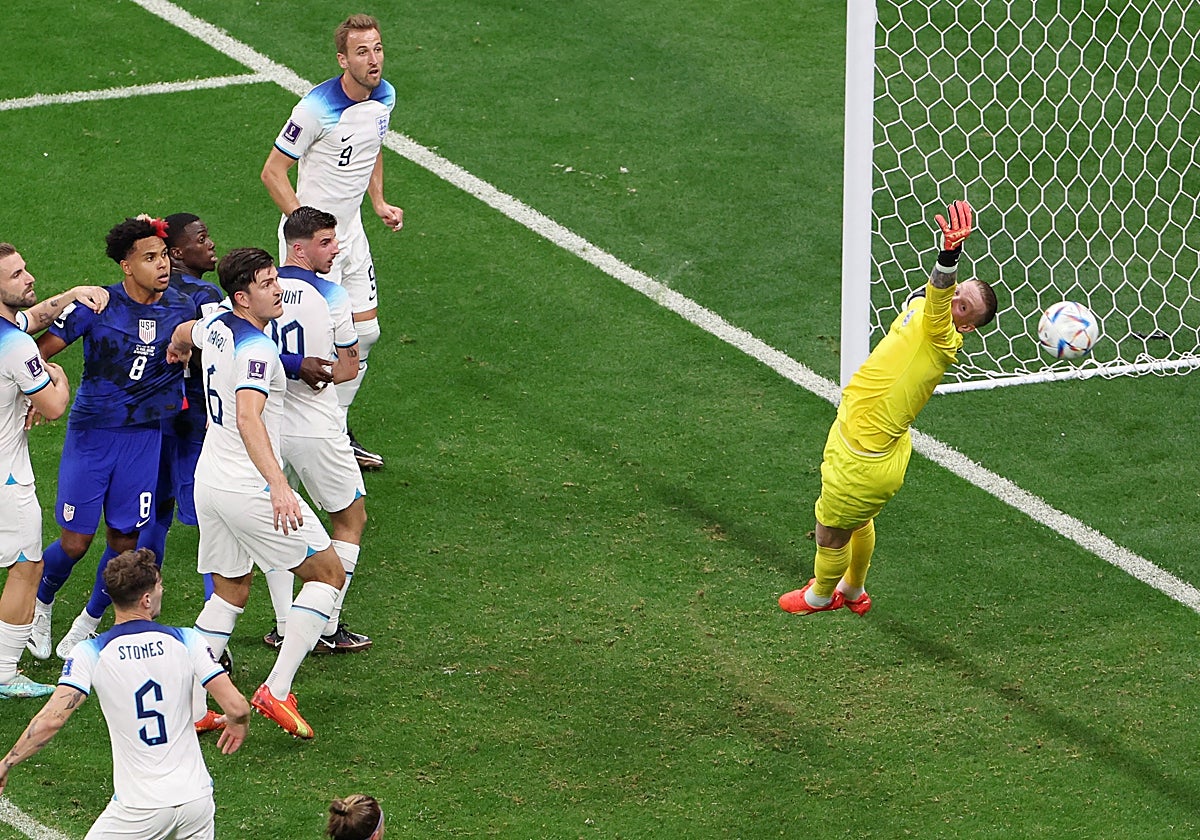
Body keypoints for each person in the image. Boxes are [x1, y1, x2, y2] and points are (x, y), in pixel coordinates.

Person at [779, 200, 998, 616]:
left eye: (963, 306)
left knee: (829, 533)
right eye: (958, 292)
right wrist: (940, 284)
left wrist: (949, 254)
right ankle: (855, 588)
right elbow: (927, 296)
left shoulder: (942, 335)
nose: (954, 300)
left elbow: (934, 300)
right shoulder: (924, 308)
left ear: (966, 325)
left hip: (863, 459)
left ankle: (821, 596)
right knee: (858, 522)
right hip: (871, 440)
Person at [167, 247, 347, 739]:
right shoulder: (258, 352)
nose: (278, 289)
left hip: (211, 480)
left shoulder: (218, 323)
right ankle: (278, 690)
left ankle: (191, 706)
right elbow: (248, 417)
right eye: (268, 283)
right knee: (327, 573)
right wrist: (279, 484)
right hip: (248, 487)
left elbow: (186, 331)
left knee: (230, 589)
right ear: (243, 297)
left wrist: (180, 347)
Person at [29, 217, 195, 661]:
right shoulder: (96, 306)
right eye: (149, 258)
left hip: (144, 438)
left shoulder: (182, 311)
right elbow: (37, 351)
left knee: (125, 541)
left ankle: (88, 621)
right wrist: (34, 391)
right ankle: (40, 606)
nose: (162, 266)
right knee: (76, 541)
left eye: (163, 256)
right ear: (126, 266)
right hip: (93, 435)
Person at [0, 548, 249, 839]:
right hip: (196, 800)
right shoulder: (187, 639)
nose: (162, 590)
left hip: (139, 808)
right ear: (145, 599)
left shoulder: (91, 652)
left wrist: (6, 763)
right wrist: (238, 722)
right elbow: (238, 706)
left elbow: (51, 720)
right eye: (158, 586)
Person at [261, 13, 403, 472]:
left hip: (353, 234)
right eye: (362, 52)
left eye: (378, 49)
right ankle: (282, 439)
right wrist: (305, 231)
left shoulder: (385, 97)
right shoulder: (315, 107)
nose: (374, 59)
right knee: (312, 344)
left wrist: (378, 202)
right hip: (312, 246)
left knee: (366, 334)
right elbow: (273, 172)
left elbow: (371, 147)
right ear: (343, 59)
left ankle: (334, 429)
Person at [261, 206, 371, 654]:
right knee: (351, 516)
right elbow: (347, 369)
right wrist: (320, 369)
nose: (335, 249)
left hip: (265, 425)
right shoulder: (332, 295)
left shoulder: (257, 290)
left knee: (275, 520)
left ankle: (285, 622)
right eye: (326, 242)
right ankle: (326, 626)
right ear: (298, 247)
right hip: (314, 424)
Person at [0, 244, 72, 698]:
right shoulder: (15, 345)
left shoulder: (14, 332)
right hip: (6, 478)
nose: (28, 278)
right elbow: (53, 405)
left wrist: (72, 295)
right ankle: (4, 673)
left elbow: (36, 317)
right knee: (28, 564)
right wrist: (57, 375)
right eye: (15, 275)